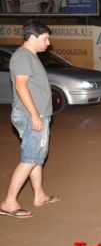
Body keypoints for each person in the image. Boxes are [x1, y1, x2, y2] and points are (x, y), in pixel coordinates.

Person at [1, 20, 60, 219]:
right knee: (29, 159)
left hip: (34, 114)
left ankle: (39, 195)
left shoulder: (30, 56)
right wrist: (35, 115)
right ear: (33, 37)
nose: (48, 43)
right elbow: (21, 86)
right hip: (30, 115)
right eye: (45, 38)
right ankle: (9, 202)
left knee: (35, 157)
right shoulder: (22, 57)